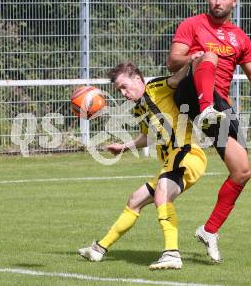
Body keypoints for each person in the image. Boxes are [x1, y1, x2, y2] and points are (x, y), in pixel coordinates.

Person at [167, 0, 251, 262]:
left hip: (219, 104)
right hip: (189, 92)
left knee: (242, 171)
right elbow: (173, 61)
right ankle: (205, 111)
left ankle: (209, 230)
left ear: (234, 1)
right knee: (211, 57)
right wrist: (197, 55)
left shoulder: (240, 37)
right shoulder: (191, 24)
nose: (217, 2)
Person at [78, 62, 207, 270]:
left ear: (138, 79)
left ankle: (172, 254)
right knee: (135, 200)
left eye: (124, 86)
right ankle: (98, 249)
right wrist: (124, 147)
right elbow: (148, 137)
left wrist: (192, 60)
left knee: (161, 195)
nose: (123, 93)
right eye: (119, 89)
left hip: (187, 153)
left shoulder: (156, 87)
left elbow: (177, 78)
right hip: (172, 160)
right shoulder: (140, 108)